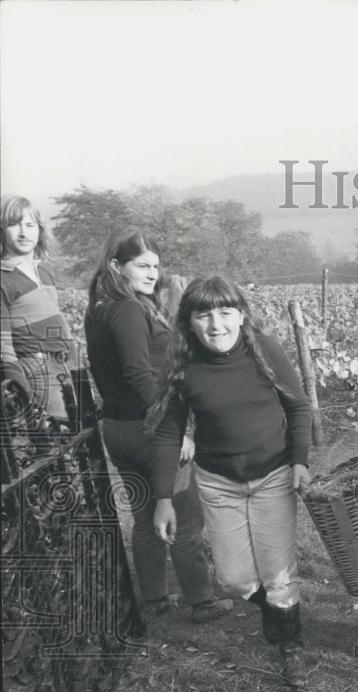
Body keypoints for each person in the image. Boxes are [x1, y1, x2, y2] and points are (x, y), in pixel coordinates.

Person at [147, 276, 312, 687]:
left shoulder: (265, 351)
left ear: (241, 315)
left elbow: (298, 407)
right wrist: (164, 498)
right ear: (189, 322)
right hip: (219, 482)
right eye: (204, 315)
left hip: (274, 474)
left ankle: (289, 648)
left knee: (278, 573)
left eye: (225, 312)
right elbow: (169, 433)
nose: (216, 324)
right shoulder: (184, 366)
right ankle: (277, 610)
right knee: (234, 580)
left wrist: (300, 461)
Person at [85, 231, 234, 624]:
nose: (152, 273)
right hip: (149, 429)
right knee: (184, 516)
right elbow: (138, 373)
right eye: (142, 265)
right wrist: (172, 427)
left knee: (146, 516)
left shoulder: (100, 306)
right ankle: (201, 601)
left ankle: (154, 599)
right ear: (117, 266)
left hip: (117, 429)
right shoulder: (129, 310)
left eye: (155, 265)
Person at [1, 195, 77, 422]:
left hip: (68, 366)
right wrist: (25, 397)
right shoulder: (3, 279)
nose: (24, 233)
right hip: (37, 371)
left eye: (30, 225)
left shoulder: (45, 270)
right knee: (56, 445)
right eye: (14, 225)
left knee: (85, 440)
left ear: (39, 230)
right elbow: (3, 347)